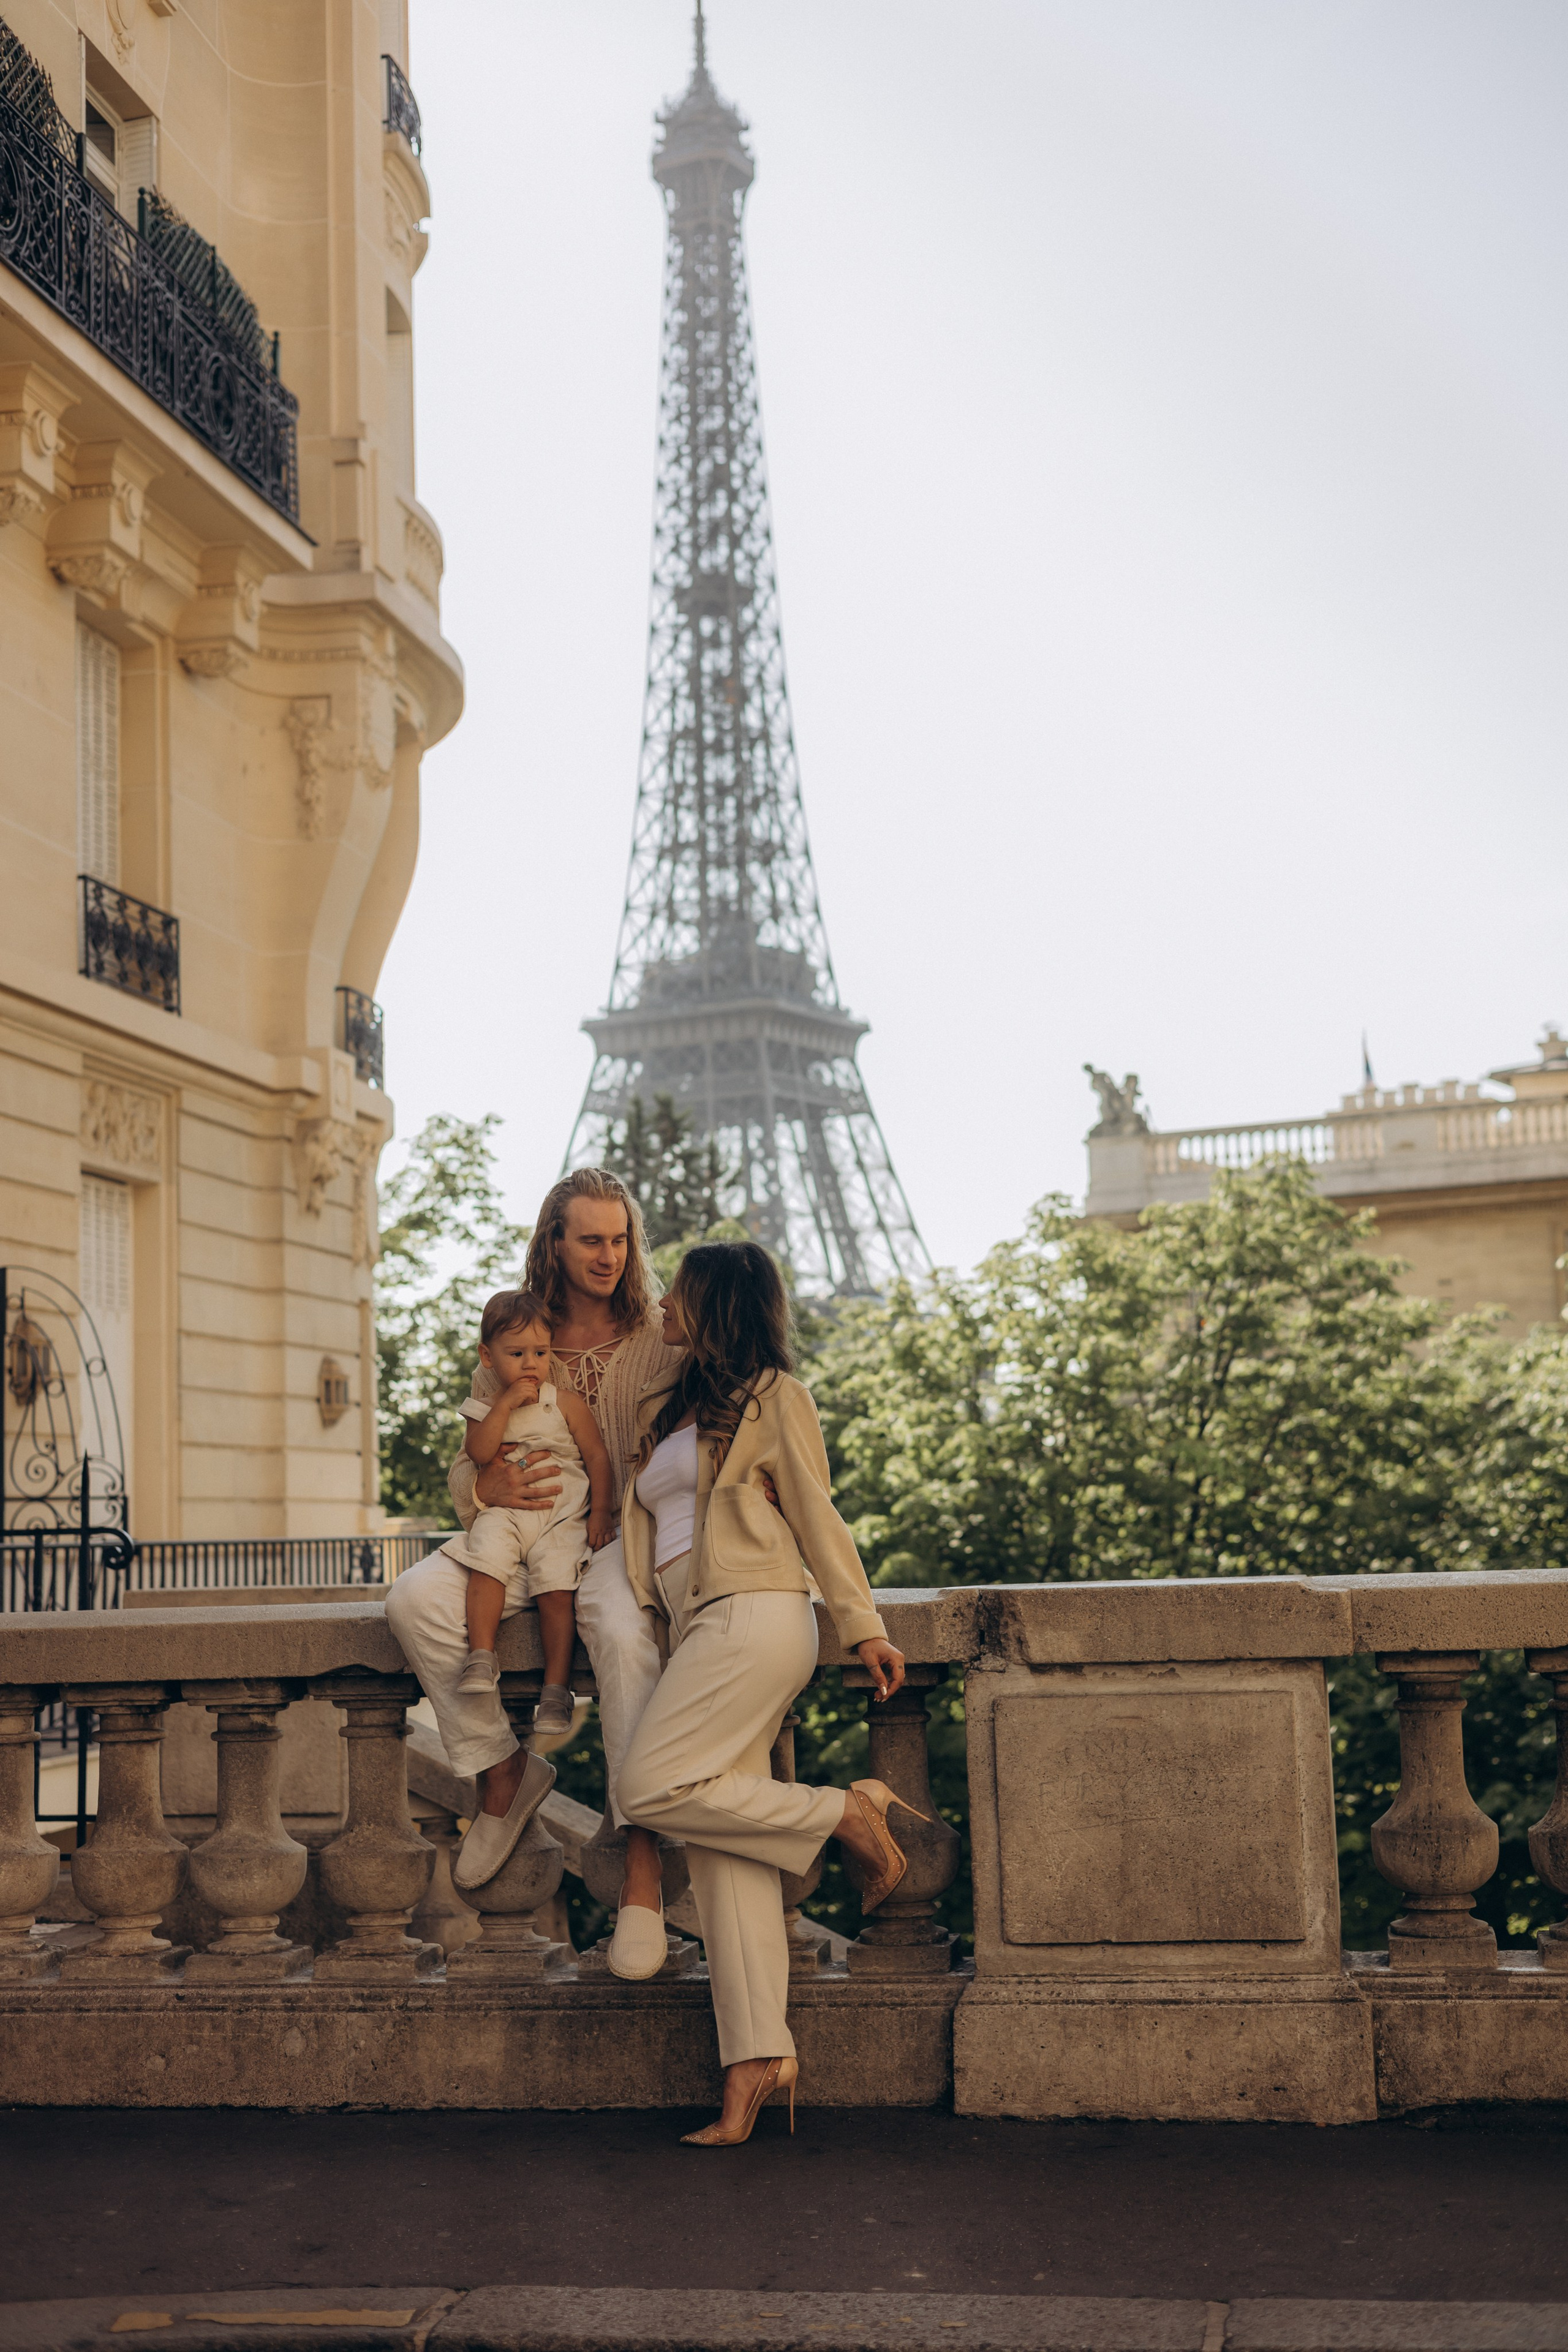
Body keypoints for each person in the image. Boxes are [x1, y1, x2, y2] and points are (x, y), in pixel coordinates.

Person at [616, 1240, 920, 2148]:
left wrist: (861, 1622)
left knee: (648, 1787)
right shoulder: (670, 1407)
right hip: (698, 1626)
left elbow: (817, 1511)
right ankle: (755, 2060)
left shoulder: (774, 1399)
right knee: (725, 1861)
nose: (662, 1305)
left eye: (676, 1292)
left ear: (712, 1304)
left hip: (753, 1614)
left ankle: (844, 1812)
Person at [385, 1170, 680, 1973]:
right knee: (413, 1600)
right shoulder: (516, 1331)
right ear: (554, 1242)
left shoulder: (660, 1335)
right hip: (521, 1533)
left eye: (620, 1240)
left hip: (619, 1539)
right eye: (591, 1239)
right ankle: (506, 1770)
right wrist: (484, 1488)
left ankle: (641, 1864)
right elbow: (464, 1463)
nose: (609, 1256)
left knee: (622, 1635)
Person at [434, 1287, 614, 1889]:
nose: (532, 1364)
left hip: (562, 1512)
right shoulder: (485, 1403)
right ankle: (481, 1656)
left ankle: (557, 1687)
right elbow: (478, 1456)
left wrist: (600, 1516)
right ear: (488, 1357)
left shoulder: (567, 1401)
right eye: (518, 1355)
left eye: (541, 1352)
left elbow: (597, 1458)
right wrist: (504, 1405)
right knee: (486, 1561)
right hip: (509, 1509)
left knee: (555, 1587)